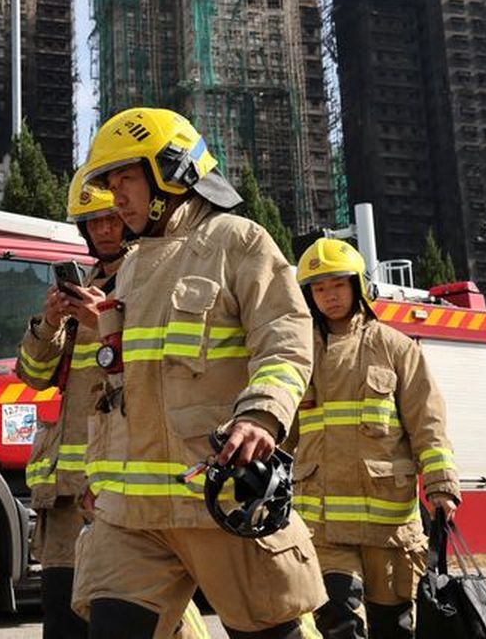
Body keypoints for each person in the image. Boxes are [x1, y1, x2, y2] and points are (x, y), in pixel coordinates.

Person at [71, 107, 326, 639]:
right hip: (132, 516)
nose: (116, 197)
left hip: (219, 493)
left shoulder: (239, 240)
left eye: (126, 179)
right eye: (110, 183)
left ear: (171, 169)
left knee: (271, 632)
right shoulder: (133, 264)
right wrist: (99, 474)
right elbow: (116, 387)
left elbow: (285, 334)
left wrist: (261, 413)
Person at [16, 169, 209, 639]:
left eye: (110, 219)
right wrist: (49, 323)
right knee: (63, 621)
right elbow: (33, 375)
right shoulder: (81, 287)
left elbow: (160, 373)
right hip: (68, 488)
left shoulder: (152, 281)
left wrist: (106, 320)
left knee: (147, 618)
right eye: (92, 222)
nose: (103, 229)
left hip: (127, 481)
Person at [293, 238, 460, 639]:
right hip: (323, 524)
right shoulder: (298, 355)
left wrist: (441, 486)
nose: (328, 297)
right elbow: (281, 427)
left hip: (387, 526)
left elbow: (428, 422)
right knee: (338, 618)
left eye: (336, 285)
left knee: (394, 628)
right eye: (318, 289)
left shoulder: (396, 348)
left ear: (357, 286)